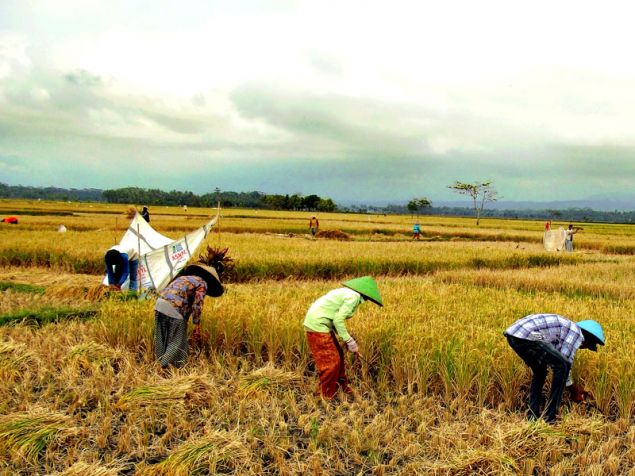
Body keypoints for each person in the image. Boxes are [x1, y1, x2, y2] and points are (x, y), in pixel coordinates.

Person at [504, 314, 605, 423]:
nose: (582, 347)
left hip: (514, 335)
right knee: (562, 365)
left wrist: (572, 388)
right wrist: (574, 391)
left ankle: (532, 416)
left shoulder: (565, 330)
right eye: (588, 346)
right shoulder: (577, 333)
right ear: (588, 338)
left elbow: (556, 357)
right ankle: (550, 418)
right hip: (528, 335)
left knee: (540, 371)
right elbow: (564, 362)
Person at [303, 276, 383, 399]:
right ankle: (325, 396)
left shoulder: (347, 293)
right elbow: (338, 320)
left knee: (339, 355)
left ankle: (341, 387)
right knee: (331, 362)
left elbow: (332, 316)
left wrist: (345, 337)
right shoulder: (353, 297)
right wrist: (349, 341)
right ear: (367, 295)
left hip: (319, 323)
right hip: (318, 326)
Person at [154, 263, 224, 368]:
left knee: (162, 337)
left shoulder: (183, 278)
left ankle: (160, 363)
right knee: (178, 341)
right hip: (175, 308)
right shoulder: (202, 283)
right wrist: (197, 324)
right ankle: (163, 366)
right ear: (210, 280)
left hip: (159, 304)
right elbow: (197, 304)